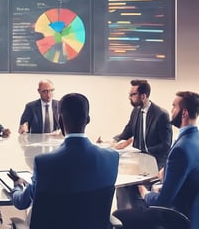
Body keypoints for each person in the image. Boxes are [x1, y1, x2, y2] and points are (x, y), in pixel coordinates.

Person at [11, 93, 119, 214]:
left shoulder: (44, 163)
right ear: (88, 120)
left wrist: (17, 186)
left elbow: (22, 202)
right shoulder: (112, 157)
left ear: (59, 119)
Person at [113, 91, 199, 228]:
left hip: (177, 217)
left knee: (119, 215)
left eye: (174, 107)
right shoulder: (194, 139)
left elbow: (162, 201)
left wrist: (146, 193)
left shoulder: (181, 149)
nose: (171, 111)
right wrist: (166, 177)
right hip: (192, 213)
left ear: (184, 113)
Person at [111, 80, 172, 209]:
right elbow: (127, 131)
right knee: (122, 187)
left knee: (137, 196)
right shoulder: (136, 111)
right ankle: (124, 219)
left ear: (143, 96)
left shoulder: (161, 115)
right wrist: (113, 141)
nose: (130, 97)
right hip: (138, 163)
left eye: (132, 94)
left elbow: (166, 146)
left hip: (155, 164)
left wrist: (144, 150)